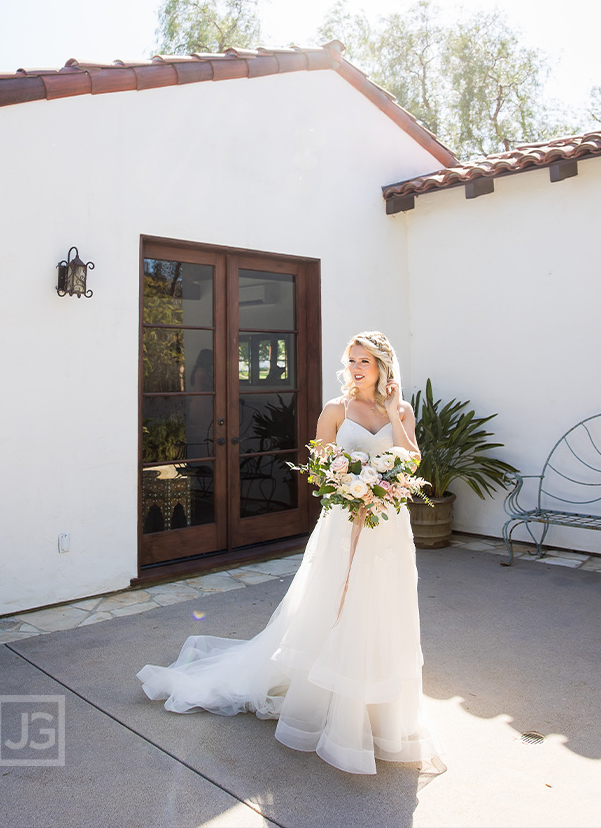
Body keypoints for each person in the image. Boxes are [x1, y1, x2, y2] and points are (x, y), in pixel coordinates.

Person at [137, 331, 443, 775]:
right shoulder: (335, 410)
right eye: (352, 360)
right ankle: (327, 699)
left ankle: (379, 708)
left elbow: (411, 462)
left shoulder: (401, 410)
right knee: (337, 601)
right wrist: (352, 484)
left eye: (366, 362)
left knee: (382, 605)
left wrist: (395, 415)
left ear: (382, 367)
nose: (357, 368)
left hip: (387, 527)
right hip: (344, 521)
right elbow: (319, 471)